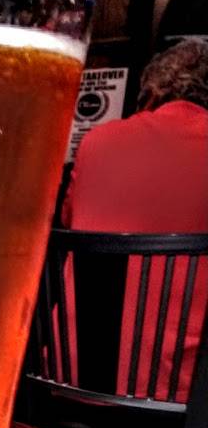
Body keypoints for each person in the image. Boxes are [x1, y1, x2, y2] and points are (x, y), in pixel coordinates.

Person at [61, 39, 208, 402]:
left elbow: (67, 220)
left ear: (153, 92)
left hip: (70, 378)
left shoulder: (96, 141)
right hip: (186, 402)